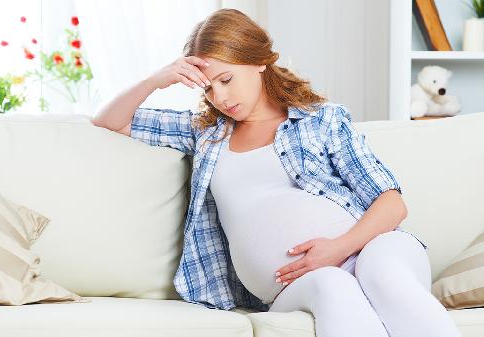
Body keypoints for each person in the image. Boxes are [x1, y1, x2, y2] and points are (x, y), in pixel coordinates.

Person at [92, 8, 462, 337]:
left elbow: (392, 204)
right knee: (332, 287)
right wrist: (158, 79)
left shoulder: (321, 119)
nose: (219, 98)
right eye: (207, 89)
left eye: (226, 80)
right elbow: (110, 120)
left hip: (374, 248)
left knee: (382, 275)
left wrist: (338, 248)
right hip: (299, 282)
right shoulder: (205, 133)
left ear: (259, 62)